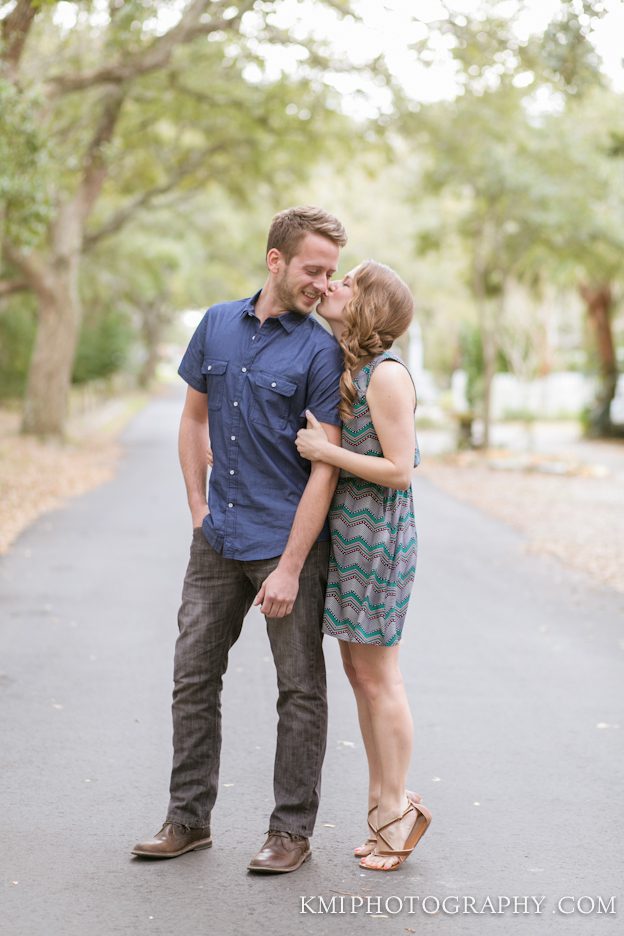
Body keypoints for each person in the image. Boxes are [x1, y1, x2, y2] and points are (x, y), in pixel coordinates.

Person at [132, 206, 347, 874]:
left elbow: (325, 467)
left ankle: (291, 833)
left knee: (299, 689)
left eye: (331, 272)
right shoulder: (217, 324)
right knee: (192, 677)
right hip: (217, 539)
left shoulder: (320, 348)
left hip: (286, 545)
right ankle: (188, 820)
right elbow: (192, 418)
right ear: (275, 259)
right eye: (314, 269)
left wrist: (288, 568)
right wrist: (198, 506)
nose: (322, 283)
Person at [295, 260, 432, 872]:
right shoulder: (355, 369)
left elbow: (401, 468)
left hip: (378, 537)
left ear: (370, 304)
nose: (333, 286)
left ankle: (396, 811)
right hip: (351, 536)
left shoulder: (386, 376)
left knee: (381, 677)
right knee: (360, 673)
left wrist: (327, 451)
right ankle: (383, 806)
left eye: (347, 281)